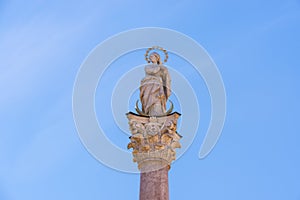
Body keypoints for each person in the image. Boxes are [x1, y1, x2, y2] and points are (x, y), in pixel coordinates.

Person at [139, 52, 171, 116]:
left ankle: (157, 114)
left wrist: (165, 72)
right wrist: (160, 67)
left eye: (152, 56)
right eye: (150, 57)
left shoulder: (162, 68)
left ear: (157, 58)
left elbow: (166, 78)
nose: (151, 58)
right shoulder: (147, 66)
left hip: (158, 85)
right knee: (146, 98)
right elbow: (152, 71)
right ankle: (147, 112)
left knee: (157, 99)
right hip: (147, 85)